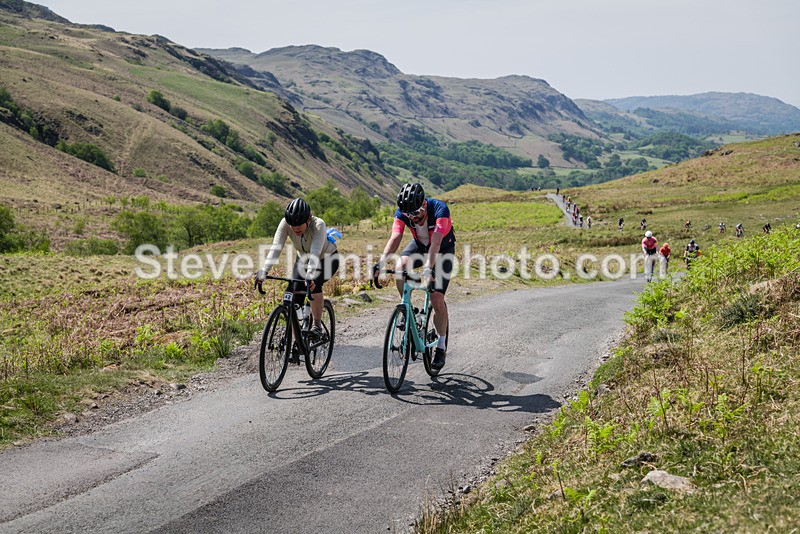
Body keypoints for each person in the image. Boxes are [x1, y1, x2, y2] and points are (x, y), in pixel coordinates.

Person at [373, 183, 455, 371]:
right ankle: (407, 308)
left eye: (416, 213)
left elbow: (435, 244)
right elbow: (395, 238)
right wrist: (380, 264)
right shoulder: (403, 213)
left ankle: (441, 347)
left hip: (442, 250)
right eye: (408, 214)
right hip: (419, 245)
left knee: (436, 298)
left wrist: (428, 268)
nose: (413, 218)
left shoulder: (440, 209)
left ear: (424, 204)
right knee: (400, 266)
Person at [255, 198, 340, 339]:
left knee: (314, 285)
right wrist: (264, 270)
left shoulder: (318, 225)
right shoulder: (285, 224)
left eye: (299, 225)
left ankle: (317, 326)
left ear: (308, 219)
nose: (296, 229)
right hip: (303, 259)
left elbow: (315, 252)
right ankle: (297, 339)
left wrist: (311, 275)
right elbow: (276, 248)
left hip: (327, 258)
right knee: (294, 293)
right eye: (292, 225)